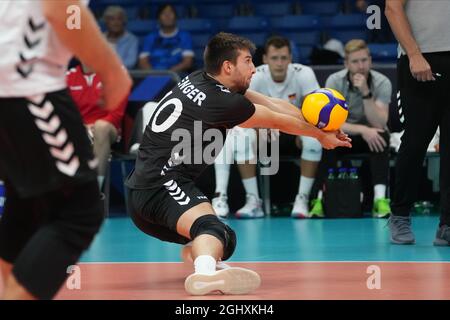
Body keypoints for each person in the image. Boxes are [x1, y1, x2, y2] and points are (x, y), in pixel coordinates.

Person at [125, 32, 351, 296]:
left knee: (226, 238)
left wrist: (316, 122)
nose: (254, 68)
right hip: (160, 187)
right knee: (212, 228)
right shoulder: (221, 102)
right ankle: (206, 274)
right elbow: (274, 120)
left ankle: (201, 255)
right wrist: (320, 136)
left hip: (147, 189)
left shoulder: (202, 79)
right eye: (248, 61)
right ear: (228, 66)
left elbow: (271, 103)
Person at [0, 0, 131, 300]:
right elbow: (61, 7)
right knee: (80, 210)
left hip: (12, 81)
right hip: (24, 83)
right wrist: (112, 71)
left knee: (25, 202)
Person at [385, 0, 450, 245]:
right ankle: (400, 214)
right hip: (421, 60)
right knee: (415, 143)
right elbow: (392, 8)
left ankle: (447, 224)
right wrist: (414, 54)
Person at [243, 35, 323, 219]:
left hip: (295, 132)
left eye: (284, 58)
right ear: (265, 59)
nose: (279, 63)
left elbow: (316, 111)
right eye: (274, 58)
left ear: (290, 58)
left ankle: (302, 199)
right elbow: (244, 111)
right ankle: (253, 200)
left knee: (314, 140)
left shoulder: (304, 73)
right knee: (241, 136)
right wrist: (261, 126)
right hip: (265, 133)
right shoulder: (255, 75)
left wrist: (300, 128)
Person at [315, 39, 392, 218]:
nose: (361, 66)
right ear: (346, 64)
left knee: (382, 136)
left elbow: (379, 123)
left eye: (364, 60)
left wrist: (366, 92)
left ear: (370, 61)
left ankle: (380, 200)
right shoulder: (334, 81)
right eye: (355, 62)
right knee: (326, 138)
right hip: (344, 134)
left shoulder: (382, 82)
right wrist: (362, 130)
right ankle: (319, 199)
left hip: (372, 135)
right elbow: (329, 122)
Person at [67, 63, 128, 191]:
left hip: (109, 128)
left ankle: (94, 191)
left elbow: (117, 113)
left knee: (101, 127)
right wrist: (81, 127)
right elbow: (65, 111)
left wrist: (92, 127)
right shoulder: (67, 76)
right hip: (79, 129)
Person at [138, 3, 194, 74]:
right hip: (153, 76)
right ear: (159, 18)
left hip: (177, 76)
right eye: (164, 13)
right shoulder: (150, 37)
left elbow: (187, 62)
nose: (167, 16)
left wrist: (169, 74)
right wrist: (155, 75)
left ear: (175, 17)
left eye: (170, 12)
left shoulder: (185, 36)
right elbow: (143, 62)